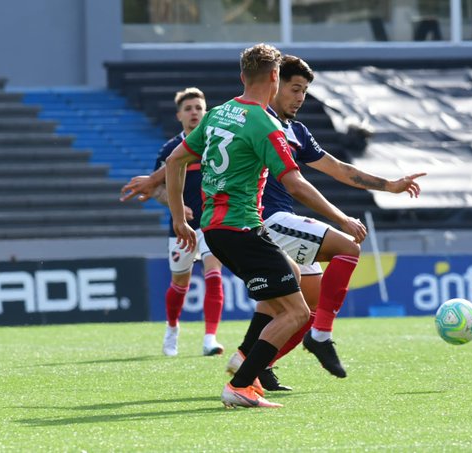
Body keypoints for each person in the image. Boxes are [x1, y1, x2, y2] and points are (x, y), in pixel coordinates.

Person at [164, 43, 367, 409]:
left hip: (215, 230)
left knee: (290, 290)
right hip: (242, 228)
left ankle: (248, 361)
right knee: (298, 313)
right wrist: (340, 218)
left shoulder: (219, 113)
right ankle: (241, 383)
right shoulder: (265, 123)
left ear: (243, 76)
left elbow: (176, 159)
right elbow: (295, 184)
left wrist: (179, 217)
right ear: (275, 78)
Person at [225, 55, 426, 391]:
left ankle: (254, 363)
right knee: (347, 248)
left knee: (307, 302)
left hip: (276, 222)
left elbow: (338, 168)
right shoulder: (258, 121)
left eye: (304, 91)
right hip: (266, 220)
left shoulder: (296, 131)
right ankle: (321, 336)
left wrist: (389, 185)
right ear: (274, 84)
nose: (300, 97)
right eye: (294, 88)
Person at [148, 87, 225, 357]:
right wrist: (177, 206)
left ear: (205, 113)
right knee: (180, 284)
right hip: (181, 226)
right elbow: (155, 189)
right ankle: (172, 329)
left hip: (212, 221)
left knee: (214, 273)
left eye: (199, 108)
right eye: (189, 108)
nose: (194, 113)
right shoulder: (171, 149)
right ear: (179, 115)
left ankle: (210, 338)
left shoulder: (216, 143)